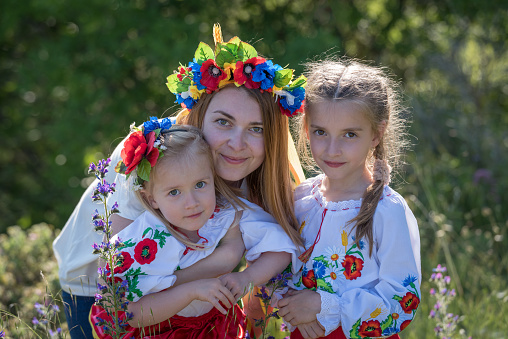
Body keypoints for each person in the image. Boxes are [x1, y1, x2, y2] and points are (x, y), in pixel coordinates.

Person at [53, 24, 306, 338]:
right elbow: (129, 279)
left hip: (194, 304)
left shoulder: (255, 171)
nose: (237, 143)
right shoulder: (153, 155)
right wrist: (226, 256)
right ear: (200, 114)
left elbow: (267, 257)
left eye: (256, 128)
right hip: (101, 288)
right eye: (223, 122)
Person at [91, 123, 300, 338]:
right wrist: (190, 292)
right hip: (165, 330)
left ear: (214, 178)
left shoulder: (227, 215)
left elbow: (281, 248)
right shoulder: (146, 241)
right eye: (174, 192)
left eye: (200, 184)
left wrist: (247, 277)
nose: (191, 203)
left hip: (217, 326)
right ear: (151, 198)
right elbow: (129, 314)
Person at [276, 58, 421, 339]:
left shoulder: (387, 211)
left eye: (349, 135)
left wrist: (324, 307)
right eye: (320, 132)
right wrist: (293, 305)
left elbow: (403, 303)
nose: (332, 149)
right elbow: (277, 266)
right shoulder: (300, 198)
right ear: (306, 129)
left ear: (376, 134)